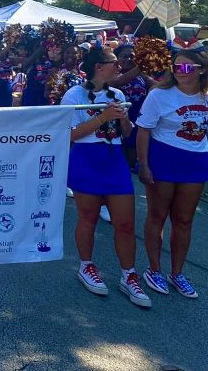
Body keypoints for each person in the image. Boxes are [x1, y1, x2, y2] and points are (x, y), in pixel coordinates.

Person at [62, 46, 149, 308]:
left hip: (114, 160)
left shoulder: (118, 93)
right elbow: (68, 136)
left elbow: (124, 134)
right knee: (87, 218)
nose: (119, 67)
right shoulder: (73, 94)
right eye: (114, 62)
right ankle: (87, 266)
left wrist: (123, 120)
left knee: (125, 223)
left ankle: (128, 275)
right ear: (99, 67)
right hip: (86, 159)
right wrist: (103, 117)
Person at [136, 50, 208, 299]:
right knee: (158, 215)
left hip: (194, 161)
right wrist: (143, 165)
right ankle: (154, 269)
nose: (179, 71)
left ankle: (177, 273)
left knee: (184, 220)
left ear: (200, 70)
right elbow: (143, 130)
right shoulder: (159, 95)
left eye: (186, 68)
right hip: (164, 158)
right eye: (175, 67)